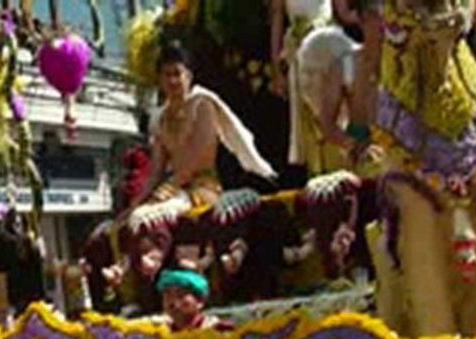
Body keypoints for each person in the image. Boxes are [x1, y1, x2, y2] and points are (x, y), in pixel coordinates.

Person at [126, 41, 277, 233]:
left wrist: (166, 190)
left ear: (188, 76)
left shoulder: (202, 103)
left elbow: (198, 157)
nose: (172, 80)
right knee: (137, 218)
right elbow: (156, 170)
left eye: (177, 73)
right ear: (159, 79)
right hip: (173, 190)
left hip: (204, 189)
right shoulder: (159, 118)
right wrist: (137, 202)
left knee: (160, 215)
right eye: (166, 74)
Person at [295, 21, 383, 174]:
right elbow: (327, 123)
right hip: (367, 160)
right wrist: (354, 146)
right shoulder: (345, 65)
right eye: (373, 18)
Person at [270, 0, 337, 174]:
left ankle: (339, 172)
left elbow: (344, 11)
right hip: (299, 52)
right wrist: (276, 70)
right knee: (307, 117)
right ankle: (315, 177)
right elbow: (277, 17)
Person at [156, 267, 232, 332]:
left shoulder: (220, 331)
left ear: (200, 302)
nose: (173, 302)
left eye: (180, 295)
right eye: (168, 295)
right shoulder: (157, 334)